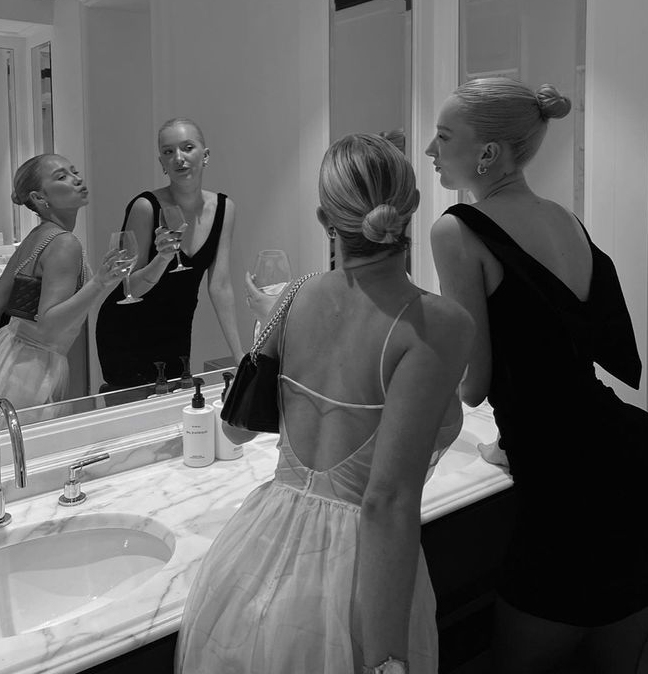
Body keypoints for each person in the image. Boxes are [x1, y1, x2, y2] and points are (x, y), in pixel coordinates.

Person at [175, 133, 473, 674]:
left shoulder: (296, 296)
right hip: (360, 575)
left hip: (256, 557)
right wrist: (388, 661)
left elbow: (237, 430)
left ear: (323, 219)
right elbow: (386, 502)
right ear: (409, 210)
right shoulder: (437, 325)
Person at [427, 76, 648, 674]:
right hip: (638, 460)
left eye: (443, 136)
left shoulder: (457, 229)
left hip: (570, 490)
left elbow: (475, 383)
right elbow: (555, 359)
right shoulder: (566, 219)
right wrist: (508, 444)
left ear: (487, 154)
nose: (431, 151)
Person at [0, 154, 124, 434]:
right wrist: (100, 282)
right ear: (40, 199)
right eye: (62, 176)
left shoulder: (36, 236)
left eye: (74, 171)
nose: (77, 179)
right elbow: (50, 321)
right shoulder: (65, 243)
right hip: (32, 373)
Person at [95, 118, 243, 388]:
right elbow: (130, 288)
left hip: (177, 331)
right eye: (168, 152)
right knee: (134, 421)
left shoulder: (224, 207)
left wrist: (239, 355)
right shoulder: (146, 207)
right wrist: (162, 258)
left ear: (205, 155)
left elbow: (220, 285)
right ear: (162, 163)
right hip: (127, 332)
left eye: (188, 148)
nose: (178, 158)